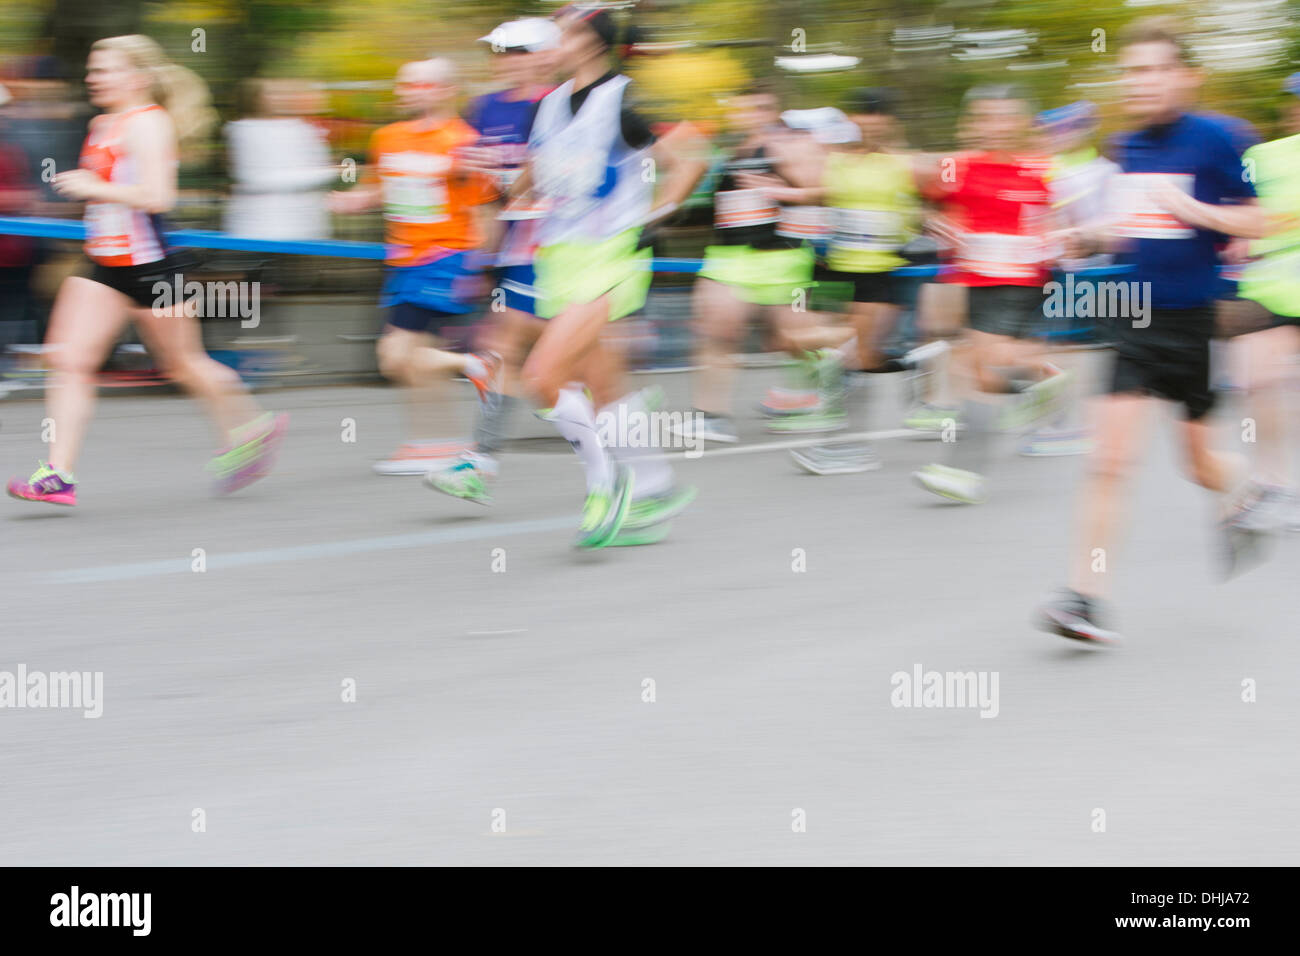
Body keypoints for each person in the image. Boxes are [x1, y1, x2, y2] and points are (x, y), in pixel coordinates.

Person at [1037, 17, 1274, 644]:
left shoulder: (1218, 141)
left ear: (1185, 76)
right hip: (1134, 311)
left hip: (1194, 321)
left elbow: (1261, 219)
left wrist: (1195, 211)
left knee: (1196, 463)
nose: (1138, 81)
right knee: (1109, 460)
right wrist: (1082, 236)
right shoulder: (1129, 146)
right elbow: (1129, 228)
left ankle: (1246, 494)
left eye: (1152, 69)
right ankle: (1084, 599)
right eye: (1131, 70)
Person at [7, 35, 286, 507]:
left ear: (136, 77)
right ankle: (59, 473)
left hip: (153, 267)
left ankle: (253, 428)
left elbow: (158, 198)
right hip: (105, 264)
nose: (93, 77)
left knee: (184, 366)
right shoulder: (102, 123)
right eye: (92, 70)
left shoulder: (149, 124)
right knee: (69, 360)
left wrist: (95, 186)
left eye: (105, 70)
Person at [512, 5, 707, 548]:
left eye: (567, 33)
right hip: (561, 259)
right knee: (602, 388)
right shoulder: (547, 107)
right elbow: (534, 174)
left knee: (543, 377)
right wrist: (502, 190)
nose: (556, 42)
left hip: (612, 257)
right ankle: (655, 485)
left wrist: (659, 212)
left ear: (593, 43)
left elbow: (692, 158)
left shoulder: (625, 99)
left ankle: (607, 484)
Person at [329, 58, 501, 477]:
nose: (409, 90)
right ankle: (433, 443)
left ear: (445, 90)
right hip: (402, 260)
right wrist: (354, 200)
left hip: (445, 256)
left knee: (394, 356)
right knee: (409, 360)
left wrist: (478, 266)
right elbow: (380, 190)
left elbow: (485, 211)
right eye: (404, 84)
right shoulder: (387, 137)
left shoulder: (464, 141)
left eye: (420, 83)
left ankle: (474, 366)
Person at [913, 84, 1069, 504]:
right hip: (975, 280)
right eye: (984, 117)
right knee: (982, 371)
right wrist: (939, 224)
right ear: (970, 123)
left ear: (1021, 123)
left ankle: (962, 472)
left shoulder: (1040, 169)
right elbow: (930, 206)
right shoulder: (955, 167)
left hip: (1022, 280)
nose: (994, 127)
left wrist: (1055, 238)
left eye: (1004, 117)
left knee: (979, 370)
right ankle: (1041, 378)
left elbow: (1058, 219)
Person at [426, 17, 560, 504]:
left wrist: (509, 183)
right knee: (510, 350)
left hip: (558, 245)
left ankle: (482, 461)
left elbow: (558, 175)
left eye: (514, 51)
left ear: (543, 55)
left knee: (519, 350)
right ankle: (480, 462)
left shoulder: (559, 104)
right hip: (511, 248)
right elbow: (470, 178)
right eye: (498, 52)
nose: (502, 61)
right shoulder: (483, 107)